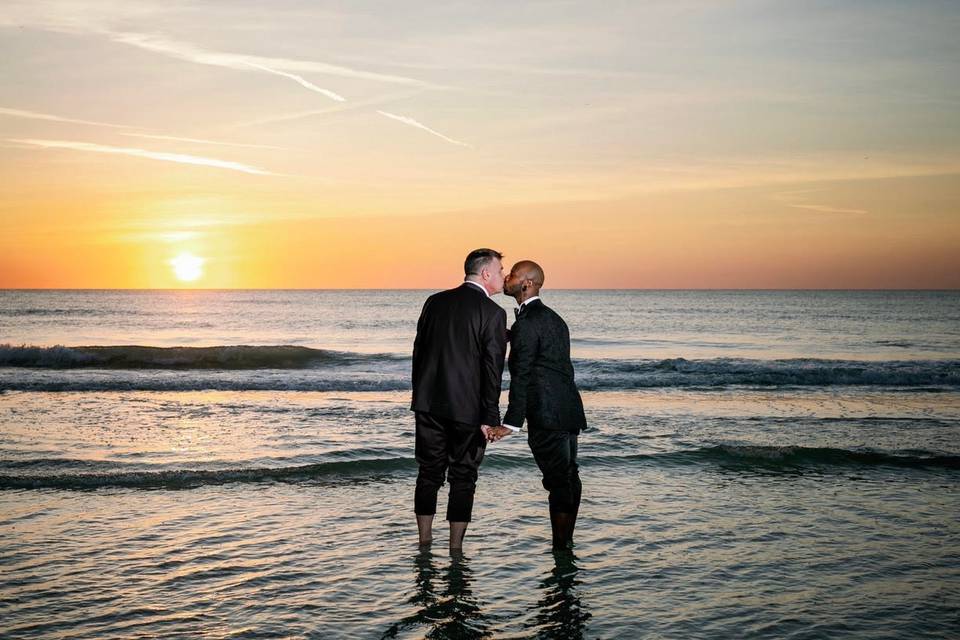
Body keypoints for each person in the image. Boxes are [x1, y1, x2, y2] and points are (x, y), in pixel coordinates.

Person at [411, 248, 508, 549]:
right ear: (486, 273)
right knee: (463, 476)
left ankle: (424, 541)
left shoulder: (434, 302)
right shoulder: (492, 313)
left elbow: (419, 352)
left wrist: (421, 395)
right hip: (467, 409)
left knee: (428, 472)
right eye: (501, 270)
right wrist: (490, 417)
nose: (504, 276)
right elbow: (493, 369)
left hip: (428, 403)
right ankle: (455, 549)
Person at [487, 260, 587, 548]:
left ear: (527, 283)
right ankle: (566, 544)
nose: (507, 278)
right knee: (568, 476)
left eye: (513, 274)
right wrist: (514, 336)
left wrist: (510, 423)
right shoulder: (553, 319)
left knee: (559, 481)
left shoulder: (528, 324)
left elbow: (522, 376)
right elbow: (555, 365)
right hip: (568, 410)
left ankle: (561, 548)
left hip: (546, 414)